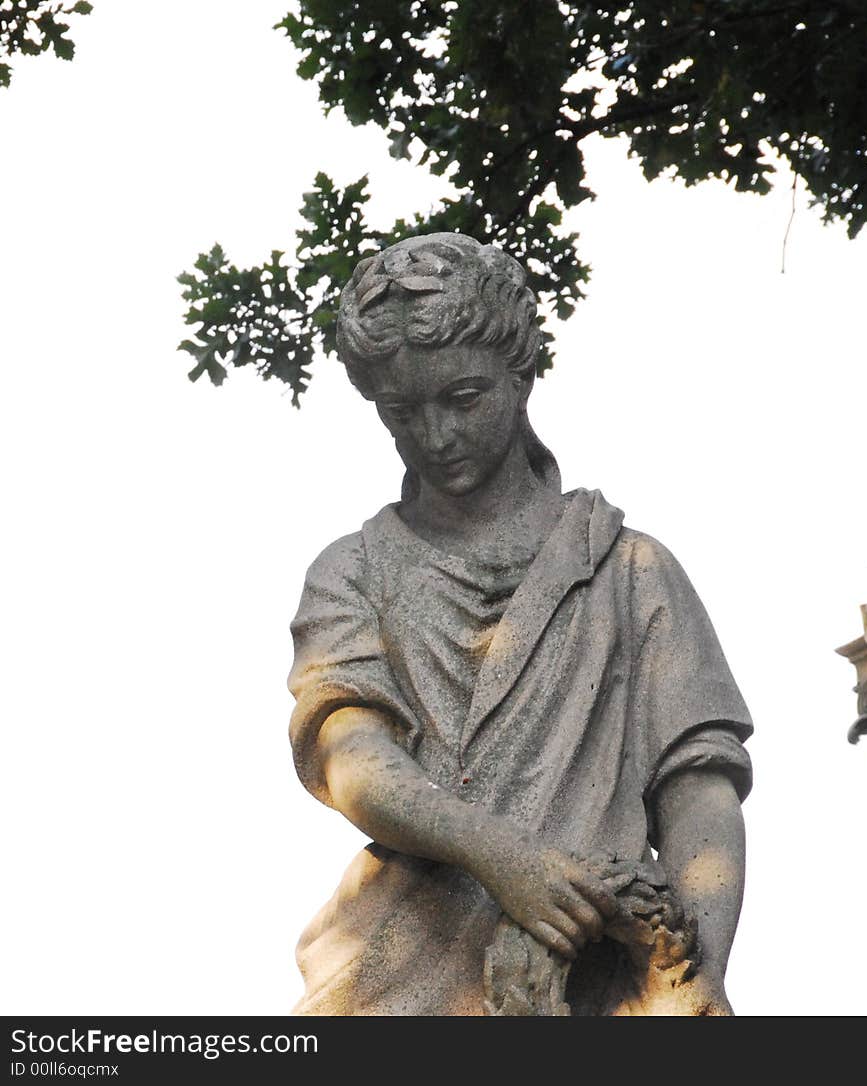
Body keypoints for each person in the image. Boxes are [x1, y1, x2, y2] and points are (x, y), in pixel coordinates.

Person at [287, 232, 753, 1016]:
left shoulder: (629, 570)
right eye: (404, 411)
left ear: (521, 373)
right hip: (398, 969)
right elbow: (352, 758)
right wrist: (504, 859)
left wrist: (690, 968)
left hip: (596, 971)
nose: (436, 436)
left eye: (464, 398)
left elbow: (698, 786)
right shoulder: (353, 573)